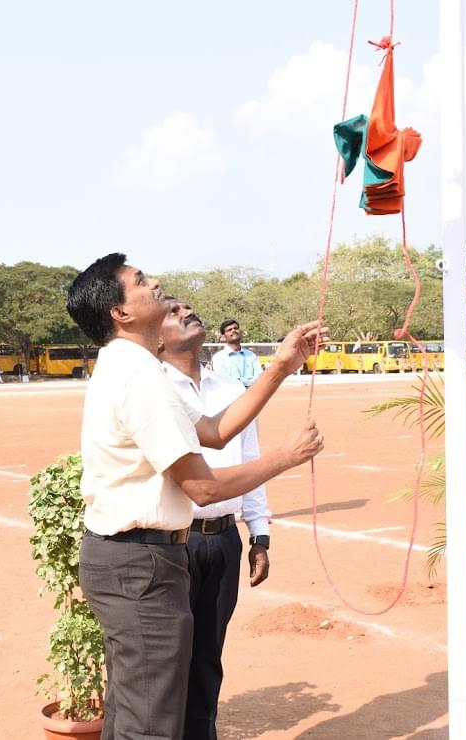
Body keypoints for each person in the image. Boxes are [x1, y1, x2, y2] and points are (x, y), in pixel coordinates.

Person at [66, 253, 325, 740]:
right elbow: (203, 488)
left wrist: (283, 365)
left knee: (134, 712)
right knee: (151, 724)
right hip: (140, 565)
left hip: (133, 560)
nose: (156, 283)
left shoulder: (131, 366)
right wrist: (286, 457)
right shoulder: (141, 377)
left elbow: (214, 431)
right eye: (140, 281)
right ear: (121, 312)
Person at [159, 301, 272, 740]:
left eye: (188, 308)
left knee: (208, 657)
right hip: (171, 544)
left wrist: (259, 534)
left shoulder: (229, 388)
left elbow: (250, 461)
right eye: (173, 311)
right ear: (156, 337)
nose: (186, 310)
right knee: (167, 660)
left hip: (223, 540)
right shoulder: (154, 389)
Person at [211, 319, 262, 387]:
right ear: (223, 337)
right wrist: (249, 381)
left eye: (236, 328)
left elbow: (260, 377)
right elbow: (225, 381)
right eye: (229, 330)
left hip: (254, 392)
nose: (233, 331)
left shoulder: (251, 355)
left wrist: (239, 380)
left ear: (240, 332)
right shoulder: (218, 358)